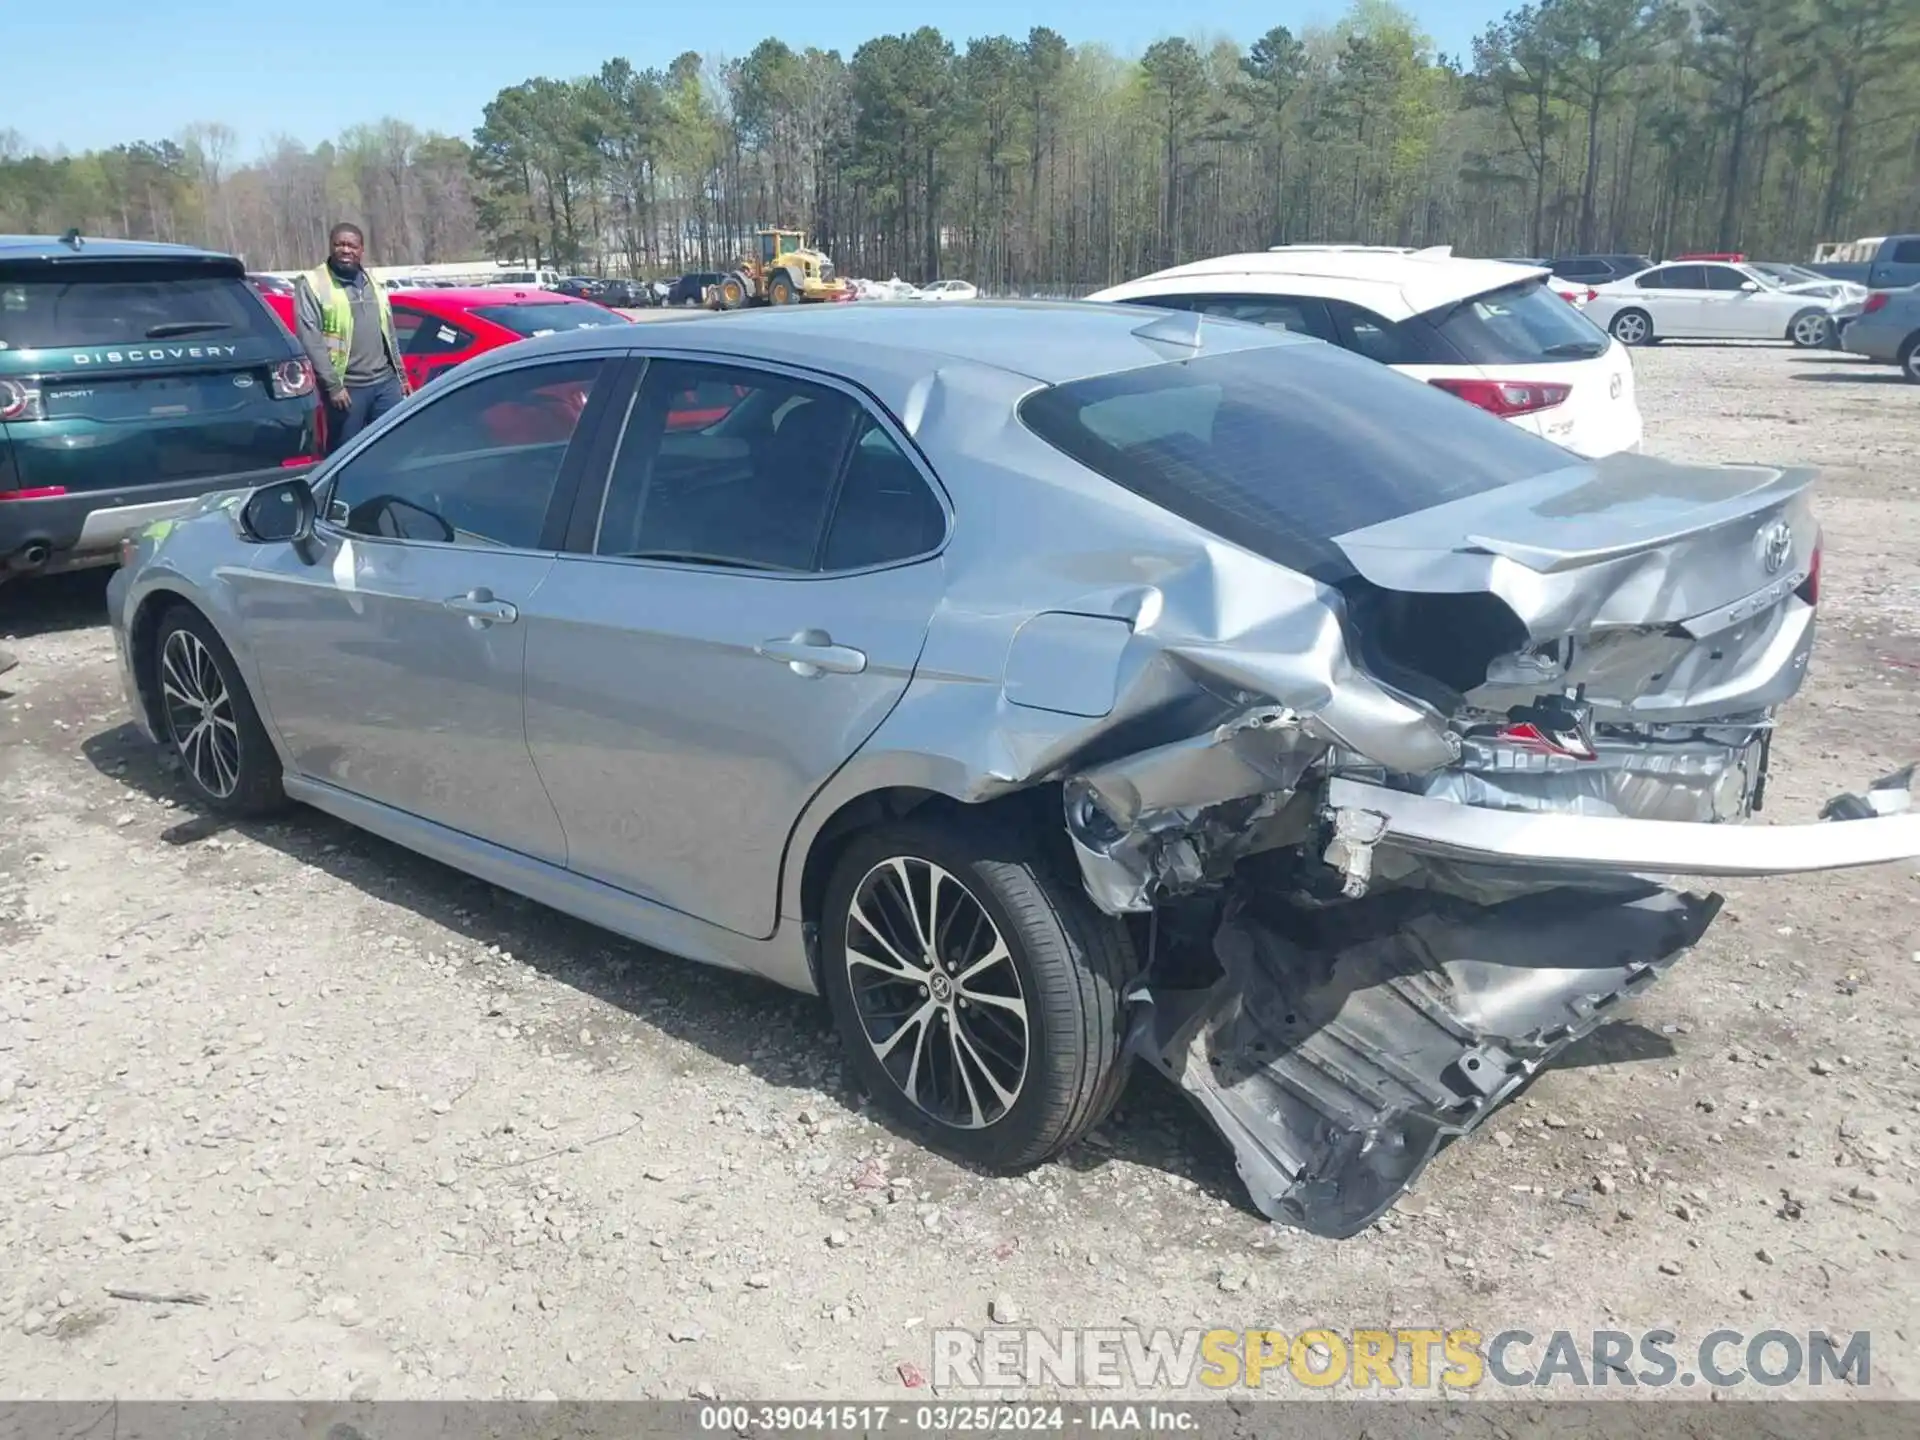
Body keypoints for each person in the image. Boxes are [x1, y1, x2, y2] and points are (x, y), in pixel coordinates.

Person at [294, 223, 409, 454]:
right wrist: (333, 386)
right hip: (348, 388)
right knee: (346, 453)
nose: (345, 250)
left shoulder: (372, 282)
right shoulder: (313, 283)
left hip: (385, 384)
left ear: (361, 250)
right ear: (331, 246)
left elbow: (389, 331)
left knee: (394, 448)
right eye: (339, 244)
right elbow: (310, 338)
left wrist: (402, 377)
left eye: (351, 245)